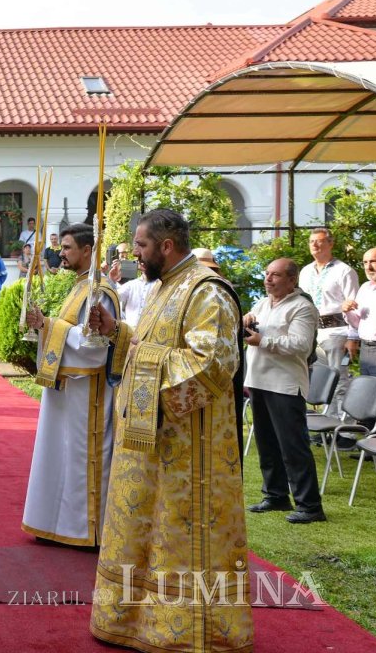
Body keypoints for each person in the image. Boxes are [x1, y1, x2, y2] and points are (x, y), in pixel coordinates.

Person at [88, 209, 252, 653]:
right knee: (146, 531)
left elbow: (212, 361)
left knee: (177, 537)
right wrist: (118, 334)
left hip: (189, 451)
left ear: (166, 245)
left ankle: (185, 628)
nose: (135, 255)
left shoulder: (206, 290)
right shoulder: (165, 286)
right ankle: (135, 620)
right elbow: (152, 345)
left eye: (140, 246)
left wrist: (143, 361)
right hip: (153, 444)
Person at [22, 223, 124, 545]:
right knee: (60, 459)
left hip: (88, 395)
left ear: (87, 250)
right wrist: (43, 326)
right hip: (68, 390)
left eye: (67, 248)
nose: (61, 253)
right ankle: (59, 527)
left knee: (80, 462)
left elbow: (94, 346)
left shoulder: (100, 290)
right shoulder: (80, 285)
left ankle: (84, 531)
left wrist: (48, 325)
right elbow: (69, 330)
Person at [243, 258, 326, 523]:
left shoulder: (302, 307)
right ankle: (276, 495)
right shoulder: (263, 303)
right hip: (259, 381)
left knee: (293, 447)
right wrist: (246, 319)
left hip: (285, 385)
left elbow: (301, 345)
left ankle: (310, 506)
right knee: (267, 444)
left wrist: (263, 341)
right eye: (267, 273)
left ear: (292, 280)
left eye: (275, 275)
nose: (268, 279)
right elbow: (253, 325)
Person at [299, 228, 358, 420]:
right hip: (314, 333)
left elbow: (354, 305)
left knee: (340, 378)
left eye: (319, 241)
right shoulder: (306, 271)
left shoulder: (344, 271)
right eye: (311, 241)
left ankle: (346, 427)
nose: (315, 245)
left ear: (331, 244)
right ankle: (329, 423)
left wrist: (352, 337)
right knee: (323, 379)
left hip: (338, 332)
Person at [343, 247, 376, 440]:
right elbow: (358, 322)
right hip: (366, 347)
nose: (368, 266)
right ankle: (373, 444)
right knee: (371, 397)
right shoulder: (365, 288)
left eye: (373, 261)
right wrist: (348, 311)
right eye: (365, 262)